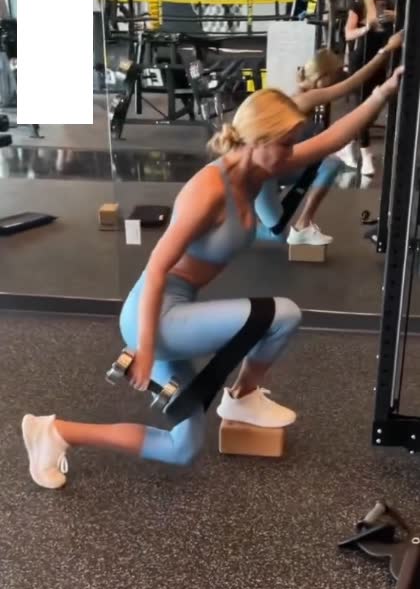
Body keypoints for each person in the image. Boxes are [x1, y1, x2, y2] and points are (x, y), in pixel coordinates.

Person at [22, 69, 403, 489]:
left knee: (182, 449)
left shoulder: (258, 171)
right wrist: (144, 348)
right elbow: (156, 267)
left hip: (175, 310)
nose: (291, 153)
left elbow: (329, 141)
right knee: (283, 314)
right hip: (155, 316)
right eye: (285, 143)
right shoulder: (208, 190)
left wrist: (383, 92)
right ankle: (241, 397)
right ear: (258, 140)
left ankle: (54, 432)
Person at [256, 30, 402, 247]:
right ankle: (231, 227)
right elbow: (352, 83)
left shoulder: (306, 99)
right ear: (323, 78)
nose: (339, 77)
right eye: (336, 74)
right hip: (261, 177)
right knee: (275, 235)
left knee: (330, 164)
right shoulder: (304, 99)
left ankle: (303, 225)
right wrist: (387, 50)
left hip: (276, 169)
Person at [341, 0, 396, 176]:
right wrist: (366, 28)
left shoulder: (393, 5)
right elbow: (348, 34)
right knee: (362, 108)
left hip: (381, 63)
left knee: (372, 110)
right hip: (361, 63)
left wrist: (396, 18)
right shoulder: (359, 5)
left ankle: (346, 145)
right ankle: (366, 155)